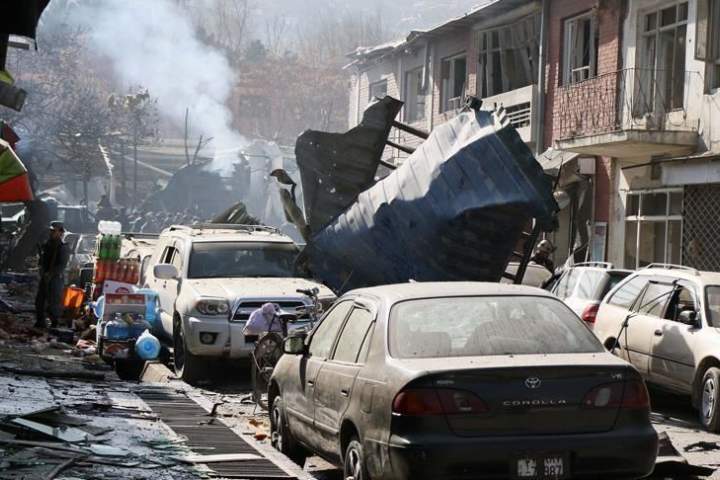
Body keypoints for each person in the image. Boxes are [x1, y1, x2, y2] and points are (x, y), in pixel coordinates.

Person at [34, 221, 70, 329]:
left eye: (54, 231)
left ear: (60, 232)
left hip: (55, 278)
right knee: (39, 301)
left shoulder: (63, 247)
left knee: (54, 302)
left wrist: (51, 273)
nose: (51, 233)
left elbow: (62, 265)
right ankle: (40, 322)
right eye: (51, 231)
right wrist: (42, 271)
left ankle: (54, 324)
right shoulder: (47, 245)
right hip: (45, 276)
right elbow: (42, 261)